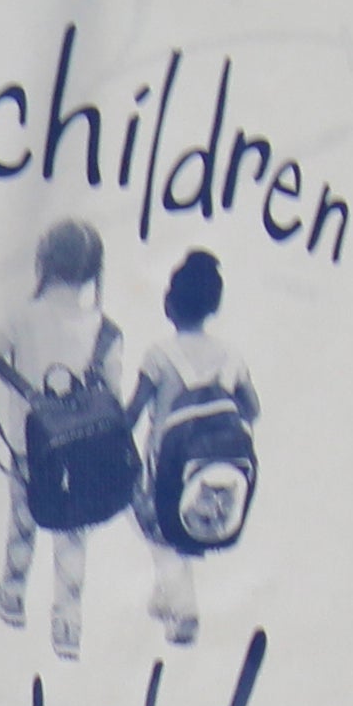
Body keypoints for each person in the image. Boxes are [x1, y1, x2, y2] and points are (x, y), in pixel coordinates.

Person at [0, 217, 136, 659]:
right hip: (82, 454)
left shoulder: (21, 318)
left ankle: (12, 594)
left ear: (42, 262)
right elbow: (113, 394)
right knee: (72, 534)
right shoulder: (107, 330)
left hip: (30, 450)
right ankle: (67, 623)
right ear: (93, 272)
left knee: (23, 521)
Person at [127, 248, 260, 644]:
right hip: (218, 466)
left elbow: (132, 414)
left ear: (170, 303)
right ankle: (165, 594)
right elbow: (252, 409)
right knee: (178, 526)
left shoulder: (159, 355)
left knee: (150, 517)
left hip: (166, 467)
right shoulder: (231, 356)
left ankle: (183, 610)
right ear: (214, 305)